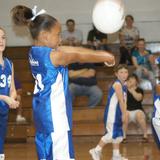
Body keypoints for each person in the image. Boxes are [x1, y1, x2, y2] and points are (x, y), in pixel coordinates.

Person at [11, 5, 115, 160]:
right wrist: (106, 57)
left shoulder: (34, 51)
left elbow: (72, 50)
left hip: (42, 114)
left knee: (47, 154)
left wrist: (101, 54)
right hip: (55, 116)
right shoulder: (54, 57)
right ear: (45, 36)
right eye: (58, 34)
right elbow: (78, 56)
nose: (60, 39)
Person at [89, 64, 128, 160]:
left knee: (118, 134)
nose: (124, 74)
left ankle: (116, 156)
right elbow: (121, 101)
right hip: (112, 113)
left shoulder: (124, 85)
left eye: (126, 72)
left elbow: (125, 101)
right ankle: (96, 150)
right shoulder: (117, 85)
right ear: (116, 74)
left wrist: (124, 112)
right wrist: (124, 114)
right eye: (121, 72)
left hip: (118, 112)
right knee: (112, 134)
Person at [0, 27, 19, 160]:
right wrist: (4, 97)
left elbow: (12, 88)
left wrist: (12, 98)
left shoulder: (9, 63)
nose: (1, 40)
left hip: (3, 112)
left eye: (3, 37)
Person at [123, 74, 148, 142]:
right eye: (129, 79)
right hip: (127, 111)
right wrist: (126, 88)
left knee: (139, 114)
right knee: (125, 115)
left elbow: (138, 98)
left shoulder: (139, 90)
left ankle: (145, 136)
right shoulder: (124, 90)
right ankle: (123, 137)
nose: (130, 80)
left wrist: (131, 90)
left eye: (132, 78)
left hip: (137, 110)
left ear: (136, 81)